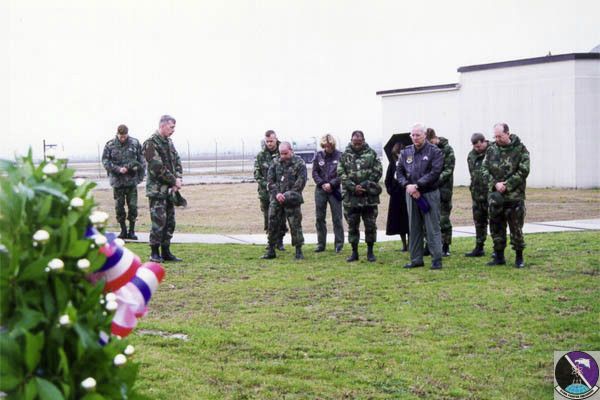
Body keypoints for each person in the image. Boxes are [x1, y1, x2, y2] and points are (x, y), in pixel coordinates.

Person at [482, 123, 530, 268]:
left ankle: (519, 257)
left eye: (500, 136)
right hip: (496, 197)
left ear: (508, 134)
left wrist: (507, 185)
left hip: (514, 197)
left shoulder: (520, 149)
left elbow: (524, 170)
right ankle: (499, 256)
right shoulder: (491, 149)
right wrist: (495, 184)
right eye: (495, 136)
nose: (497, 139)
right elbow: (484, 169)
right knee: (496, 227)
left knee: (516, 228)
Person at [397, 123, 444, 270]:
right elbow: (399, 172)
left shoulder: (434, 151)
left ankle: (436, 259)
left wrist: (417, 185)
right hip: (411, 194)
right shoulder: (406, 152)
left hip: (429, 193)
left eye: (418, 135)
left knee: (432, 227)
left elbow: (435, 172)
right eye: (413, 135)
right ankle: (416, 259)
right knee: (414, 227)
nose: (415, 137)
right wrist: (407, 186)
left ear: (424, 135)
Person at [143, 115, 183, 263]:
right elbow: (156, 167)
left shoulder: (169, 143)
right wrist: (174, 180)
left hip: (170, 191)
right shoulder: (149, 144)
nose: (173, 130)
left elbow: (177, 161)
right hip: (157, 191)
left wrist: (178, 179)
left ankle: (166, 251)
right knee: (158, 222)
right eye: (171, 127)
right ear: (163, 126)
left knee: (170, 222)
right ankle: (154, 252)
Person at [338, 130, 383, 262]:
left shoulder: (371, 154)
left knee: (370, 225)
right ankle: (354, 252)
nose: (357, 145)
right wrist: (353, 187)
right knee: (352, 226)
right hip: (351, 198)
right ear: (351, 141)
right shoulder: (344, 155)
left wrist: (366, 185)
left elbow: (378, 170)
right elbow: (340, 173)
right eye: (355, 142)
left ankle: (370, 252)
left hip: (368, 197)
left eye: (359, 142)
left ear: (363, 141)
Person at [262, 142, 307, 260]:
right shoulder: (275, 162)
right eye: (281, 154)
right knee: (272, 223)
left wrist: (286, 195)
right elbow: (270, 181)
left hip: (292, 199)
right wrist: (277, 194)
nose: (283, 156)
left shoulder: (299, 163)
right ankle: (271, 249)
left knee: (295, 224)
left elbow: (300, 182)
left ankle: (298, 251)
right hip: (276, 199)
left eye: (285, 153)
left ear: (291, 151)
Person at [102, 124, 145, 240]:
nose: (123, 138)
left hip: (131, 181)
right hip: (118, 182)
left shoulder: (135, 143)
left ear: (127, 134)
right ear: (117, 134)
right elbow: (105, 161)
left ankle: (132, 231)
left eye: (124, 136)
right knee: (119, 208)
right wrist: (117, 169)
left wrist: (139, 176)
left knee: (133, 207)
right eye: (121, 136)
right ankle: (123, 230)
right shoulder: (110, 145)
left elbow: (141, 160)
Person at [254, 130, 286, 251]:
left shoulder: (282, 152)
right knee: (268, 218)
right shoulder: (261, 155)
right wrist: (267, 185)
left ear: (276, 139)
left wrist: (279, 187)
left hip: (280, 191)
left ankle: (280, 241)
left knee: (281, 217)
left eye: (271, 141)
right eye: (267, 141)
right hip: (266, 193)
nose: (269, 144)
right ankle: (271, 241)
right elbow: (257, 174)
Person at [312, 134, 344, 253]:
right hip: (321, 190)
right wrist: (322, 184)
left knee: (337, 218)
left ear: (333, 145)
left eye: (329, 145)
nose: (327, 148)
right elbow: (314, 172)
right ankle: (321, 244)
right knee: (320, 218)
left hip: (334, 190)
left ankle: (339, 244)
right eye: (325, 146)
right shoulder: (318, 156)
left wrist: (331, 184)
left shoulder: (340, 156)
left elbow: (342, 174)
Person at [426, 128, 455, 256]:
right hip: (429, 189)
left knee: (443, 219)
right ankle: (429, 244)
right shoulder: (427, 150)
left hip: (443, 189)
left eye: (430, 142)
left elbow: (449, 169)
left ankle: (445, 245)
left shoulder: (447, 150)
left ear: (434, 138)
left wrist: (435, 179)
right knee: (428, 218)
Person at [465, 133, 489, 257]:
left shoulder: (492, 152)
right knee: (479, 222)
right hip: (477, 194)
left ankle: (498, 250)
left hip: (490, 194)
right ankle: (479, 247)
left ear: (484, 141)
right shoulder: (471, 155)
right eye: (475, 146)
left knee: (496, 223)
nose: (477, 149)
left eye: (479, 146)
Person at [385, 142, 409, 251]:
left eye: (400, 153)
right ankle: (404, 245)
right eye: (397, 153)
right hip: (396, 197)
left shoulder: (409, 163)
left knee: (408, 220)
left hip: (407, 194)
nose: (399, 155)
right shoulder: (392, 164)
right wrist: (391, 191)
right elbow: (387, 180)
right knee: (399, 221)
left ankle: (411, 243)